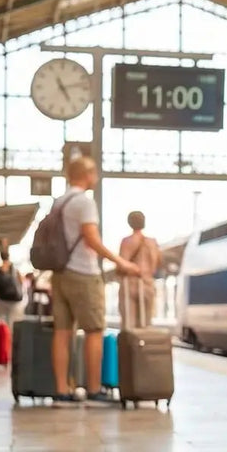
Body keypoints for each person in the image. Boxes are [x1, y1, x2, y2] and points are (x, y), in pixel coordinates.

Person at [49, 156, 139, 404]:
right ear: (86, 174)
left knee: (62, 332)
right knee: (94, 330)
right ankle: (94, 388)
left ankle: (61, 390)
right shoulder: (84, 202)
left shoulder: (59, 201)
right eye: (94, 173)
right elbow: (91, 238)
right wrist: (120, 262)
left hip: (59, 274)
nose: (97, 177)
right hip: (83, 274)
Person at [117, 210, 160, 330]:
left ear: (129, 223)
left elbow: (122, 264)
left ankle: (129, 347)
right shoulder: (152, 242)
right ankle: (144, 346)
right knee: (146, 323)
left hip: (129, 285)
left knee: (129, 324)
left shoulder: (126, 241)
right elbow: (154, 265)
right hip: (147, 284)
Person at [0, 245, 25, 327]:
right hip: (15, 300)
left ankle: (2, 338)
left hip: (1, 299)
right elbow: (21, 281)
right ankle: (10, 338)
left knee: (0, 323)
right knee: (12, 324)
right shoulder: (15, 268)